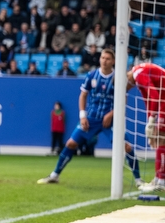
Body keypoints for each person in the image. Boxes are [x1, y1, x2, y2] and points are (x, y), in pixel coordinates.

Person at [38, 49, 142, 186]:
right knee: (70, 144)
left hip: (111, 121)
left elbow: (123, 101)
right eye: (102, 58)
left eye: (108, 59)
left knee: (127, 147)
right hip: (91, 119)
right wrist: (82, 116)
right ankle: (54, 175)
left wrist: (111, 115)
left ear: (113, 61)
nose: (104, 61)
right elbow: (83, 95)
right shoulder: (92, 75)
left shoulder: (119, 78)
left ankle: (138, 180)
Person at [130, 62, 165, 192]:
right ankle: (158, 178)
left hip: (164, 101)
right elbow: (148, 100)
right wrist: (150, 123)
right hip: (163, 102)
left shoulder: (138, 74)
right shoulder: (140, 72)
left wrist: (152, 121)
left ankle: (161, 181)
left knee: (161, 140)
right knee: (159, 139)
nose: (128, 89)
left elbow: (154, 96)